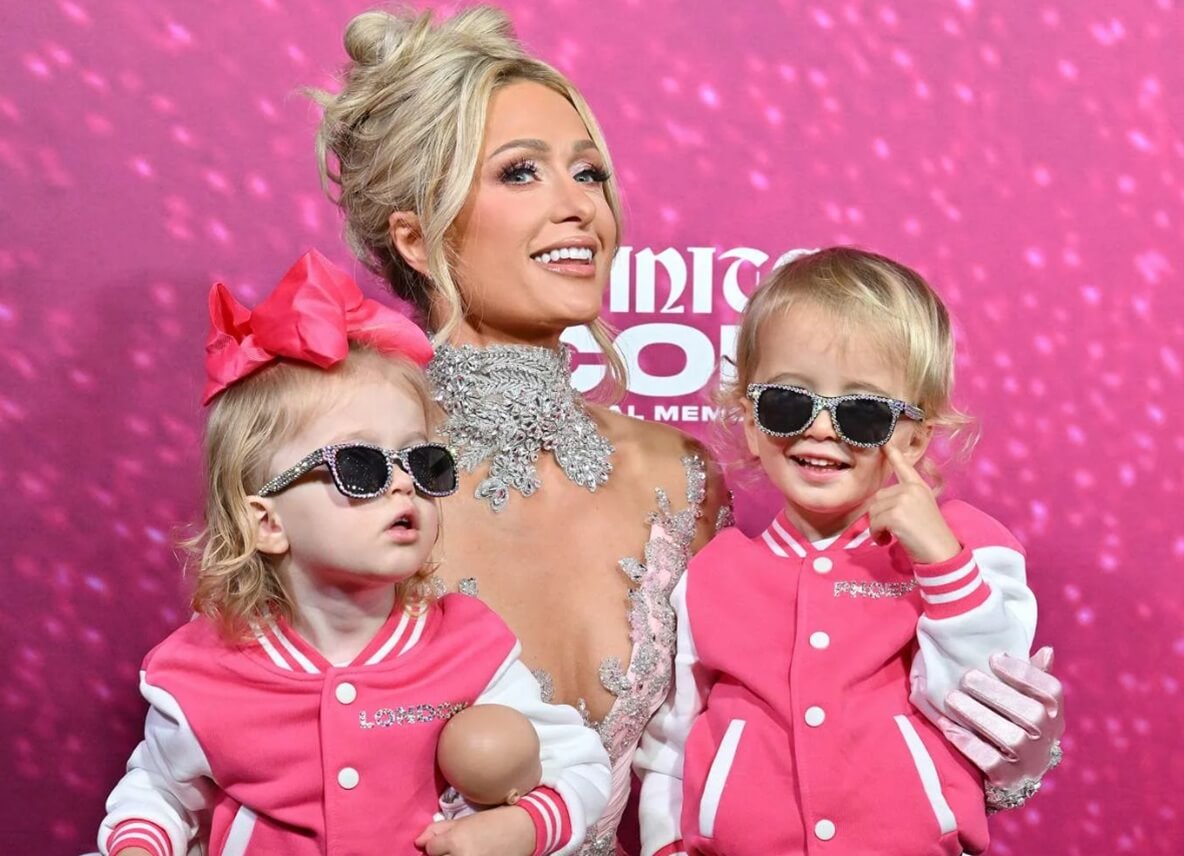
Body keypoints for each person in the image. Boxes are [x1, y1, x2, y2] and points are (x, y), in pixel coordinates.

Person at [305, 9, 1066, 854]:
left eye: (589, 174)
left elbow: (768, 730)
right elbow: (240, 731)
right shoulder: (349, 473)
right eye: (521, 174)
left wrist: (1008, 750)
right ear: (416, 235)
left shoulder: (678, 475)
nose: (578, 208)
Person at [95, 250, 611, 856]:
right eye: (359, 467)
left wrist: (519, 827)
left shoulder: (468, 648)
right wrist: (139, 844)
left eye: (422, 462)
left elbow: (580, 766)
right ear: (266, 521)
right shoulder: (199, 673)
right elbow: (157, 791)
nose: (402, 484)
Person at [636, 247, 1061, 855]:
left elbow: (988, 704)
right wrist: (664, 845)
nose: (822, 430)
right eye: (788, 402)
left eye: (863, 413)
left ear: (913, 438)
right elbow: (673, 744)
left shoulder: (967, 547)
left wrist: (942, 565)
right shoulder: (714, 573)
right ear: (752, 423)